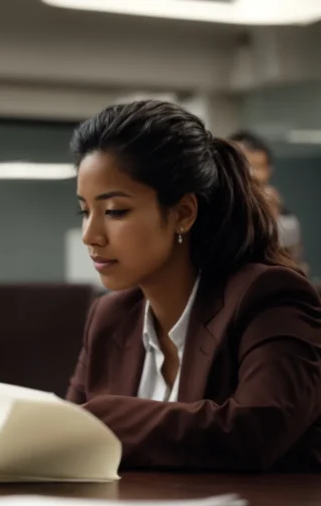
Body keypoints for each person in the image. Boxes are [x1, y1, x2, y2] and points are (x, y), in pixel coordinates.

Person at [66, 100, 321, 472]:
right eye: (85, 211)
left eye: (115, 211)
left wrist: (105, 418)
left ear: (183, 213)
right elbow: (69, 437)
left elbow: (255, 431)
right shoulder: (109, 316)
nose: (91, 235)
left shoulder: (268, 295)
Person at [230, 130, 308, 274]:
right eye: (242, 165)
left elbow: (295, 267)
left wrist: (272, 219)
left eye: (257, 166)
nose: (251, 174)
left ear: (269, 171)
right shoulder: (213, 210)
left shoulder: (286, 219)